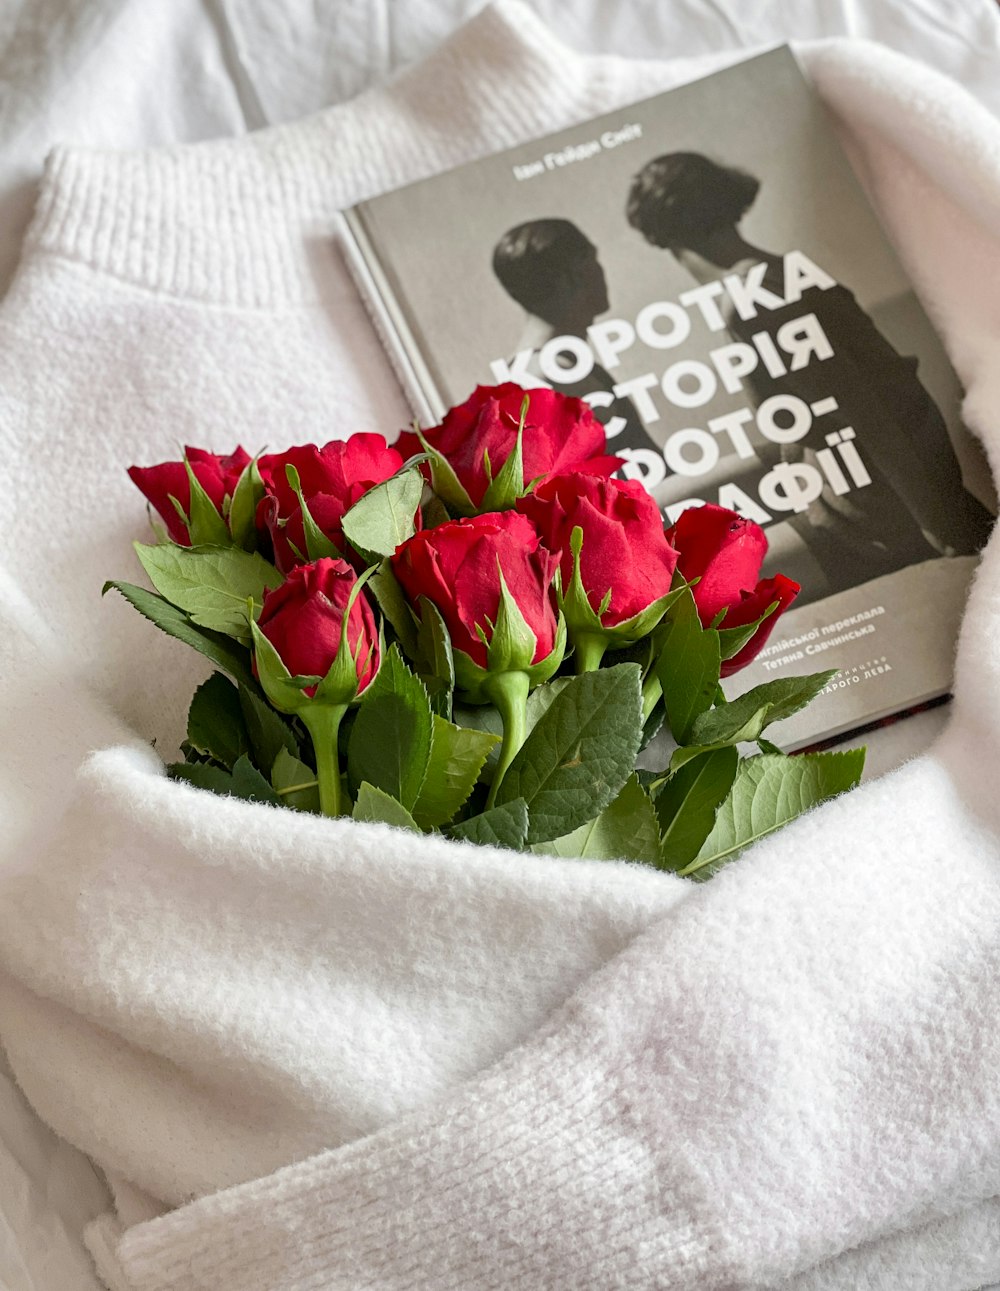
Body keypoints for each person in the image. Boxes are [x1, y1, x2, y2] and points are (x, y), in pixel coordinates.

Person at [625, 151, 993, 598]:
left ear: (661, 237)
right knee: (666, 519)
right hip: (869, 476)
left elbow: (862, 412)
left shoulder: (754, 300)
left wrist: (940, 520)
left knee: (690, 589)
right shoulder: (782, 274)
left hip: (869, 511)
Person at [492, 217, 666, 479]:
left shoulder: (548, 367)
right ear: (571, 274)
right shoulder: (547, 377)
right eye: (590, 259)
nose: (600, 270)